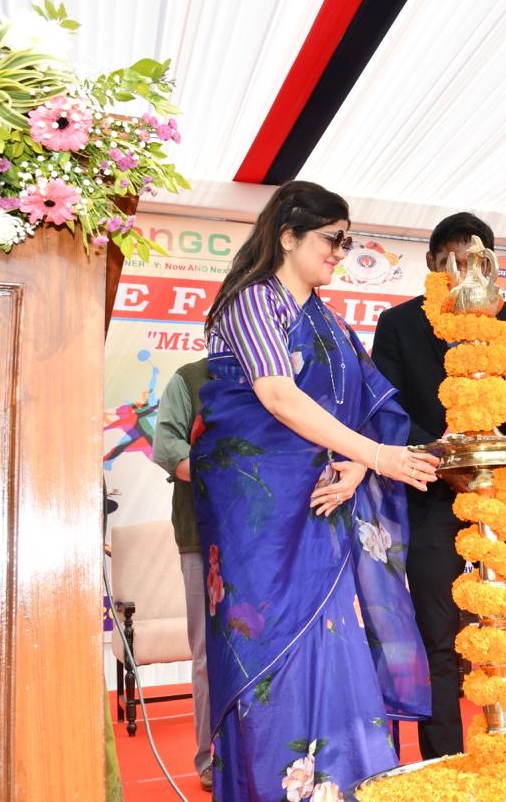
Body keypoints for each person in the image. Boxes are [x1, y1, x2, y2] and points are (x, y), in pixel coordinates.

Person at [191, 181, 439, 799]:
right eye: (332, 239)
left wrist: (357, 464)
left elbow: (365, 406)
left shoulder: (328, 322)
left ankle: (350, 785)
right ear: (287, 236)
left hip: (326, 509)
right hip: (261, 516)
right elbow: (278, 397)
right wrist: (377, 456)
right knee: (270, 646)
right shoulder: (253, 302)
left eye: (346, 242)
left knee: (339, 643)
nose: (340, 253)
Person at [371, 211, 506, 759]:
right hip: (432, 498)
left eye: (472, 261)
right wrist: (441, 459)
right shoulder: (400, 323)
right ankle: (444, 761)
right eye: (448, 261)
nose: (461, 272)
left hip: (504, 499)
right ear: (431, 264)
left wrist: (494, 454)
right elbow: (387, 410)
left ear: (490, 266)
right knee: (439, 638)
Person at [151, 356, 212, 790]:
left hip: (265, 541)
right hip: (201, 535)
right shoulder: (188, 380)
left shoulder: (275, 378)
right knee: (207, 651)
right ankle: (211, 758)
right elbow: (167, 446)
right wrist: (220, 472)